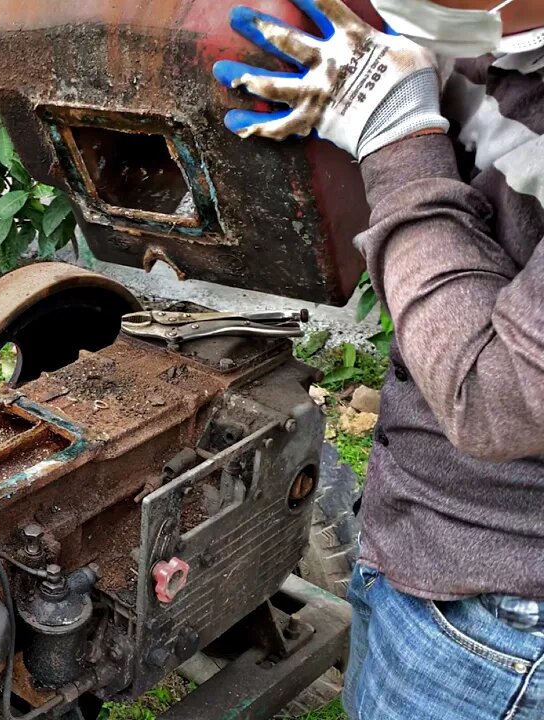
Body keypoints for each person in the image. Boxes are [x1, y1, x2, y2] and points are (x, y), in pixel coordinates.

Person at [213, 0, 544, 717]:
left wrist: (398, 136)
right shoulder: (511, 42)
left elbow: (496, 398)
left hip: (501, 612)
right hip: (431, 546)